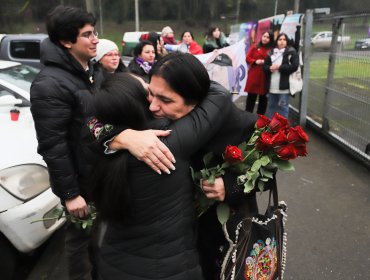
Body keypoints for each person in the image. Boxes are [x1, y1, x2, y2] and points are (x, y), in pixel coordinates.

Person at [90, 53, 265, 280]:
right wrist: (124, 136)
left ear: (195, 100)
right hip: (177, 248)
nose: (153, 106)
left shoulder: (235, 124)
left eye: (166, 100)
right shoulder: (150, 136)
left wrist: (230, 186)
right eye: (149, 94)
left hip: (220, 236)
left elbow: (265, 172)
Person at [30, 5, 103, 280]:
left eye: (94, 32)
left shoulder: (86, 71)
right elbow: (53, 145)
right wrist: (70, 194)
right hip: (79, 183)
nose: (95, 39)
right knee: (79, 243)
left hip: (96, 175)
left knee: (96, 239)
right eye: (87, 34)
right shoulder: (49, 84)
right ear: (65, 41)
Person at [264, 32, 299, 119]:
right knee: (271, 108)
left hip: (284, 88)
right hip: (271, 87)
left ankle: (283, 130)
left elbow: (294, 66)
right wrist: (269, 68)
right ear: (277, 41)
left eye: (284, 39)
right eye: (280, 39)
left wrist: (279, 67)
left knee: (282, 109)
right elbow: (264, 67)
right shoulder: (271, 52)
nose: (282, 41)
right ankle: (271, 129)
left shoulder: (291, 52)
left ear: (287, 42)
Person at [244, 31, 274, 115]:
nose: (265, 39)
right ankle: (247, 118)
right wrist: (255, 61)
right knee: (251, 99)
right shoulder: (255, 47)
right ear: (261, 37)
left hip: (265, 76)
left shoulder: (272, 50)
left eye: (268, 37)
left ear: (270, 39)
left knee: (263, 100)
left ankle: (260, 120)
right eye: (264, 36)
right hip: (254, 75)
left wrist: (266, 62)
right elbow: (247, 58)